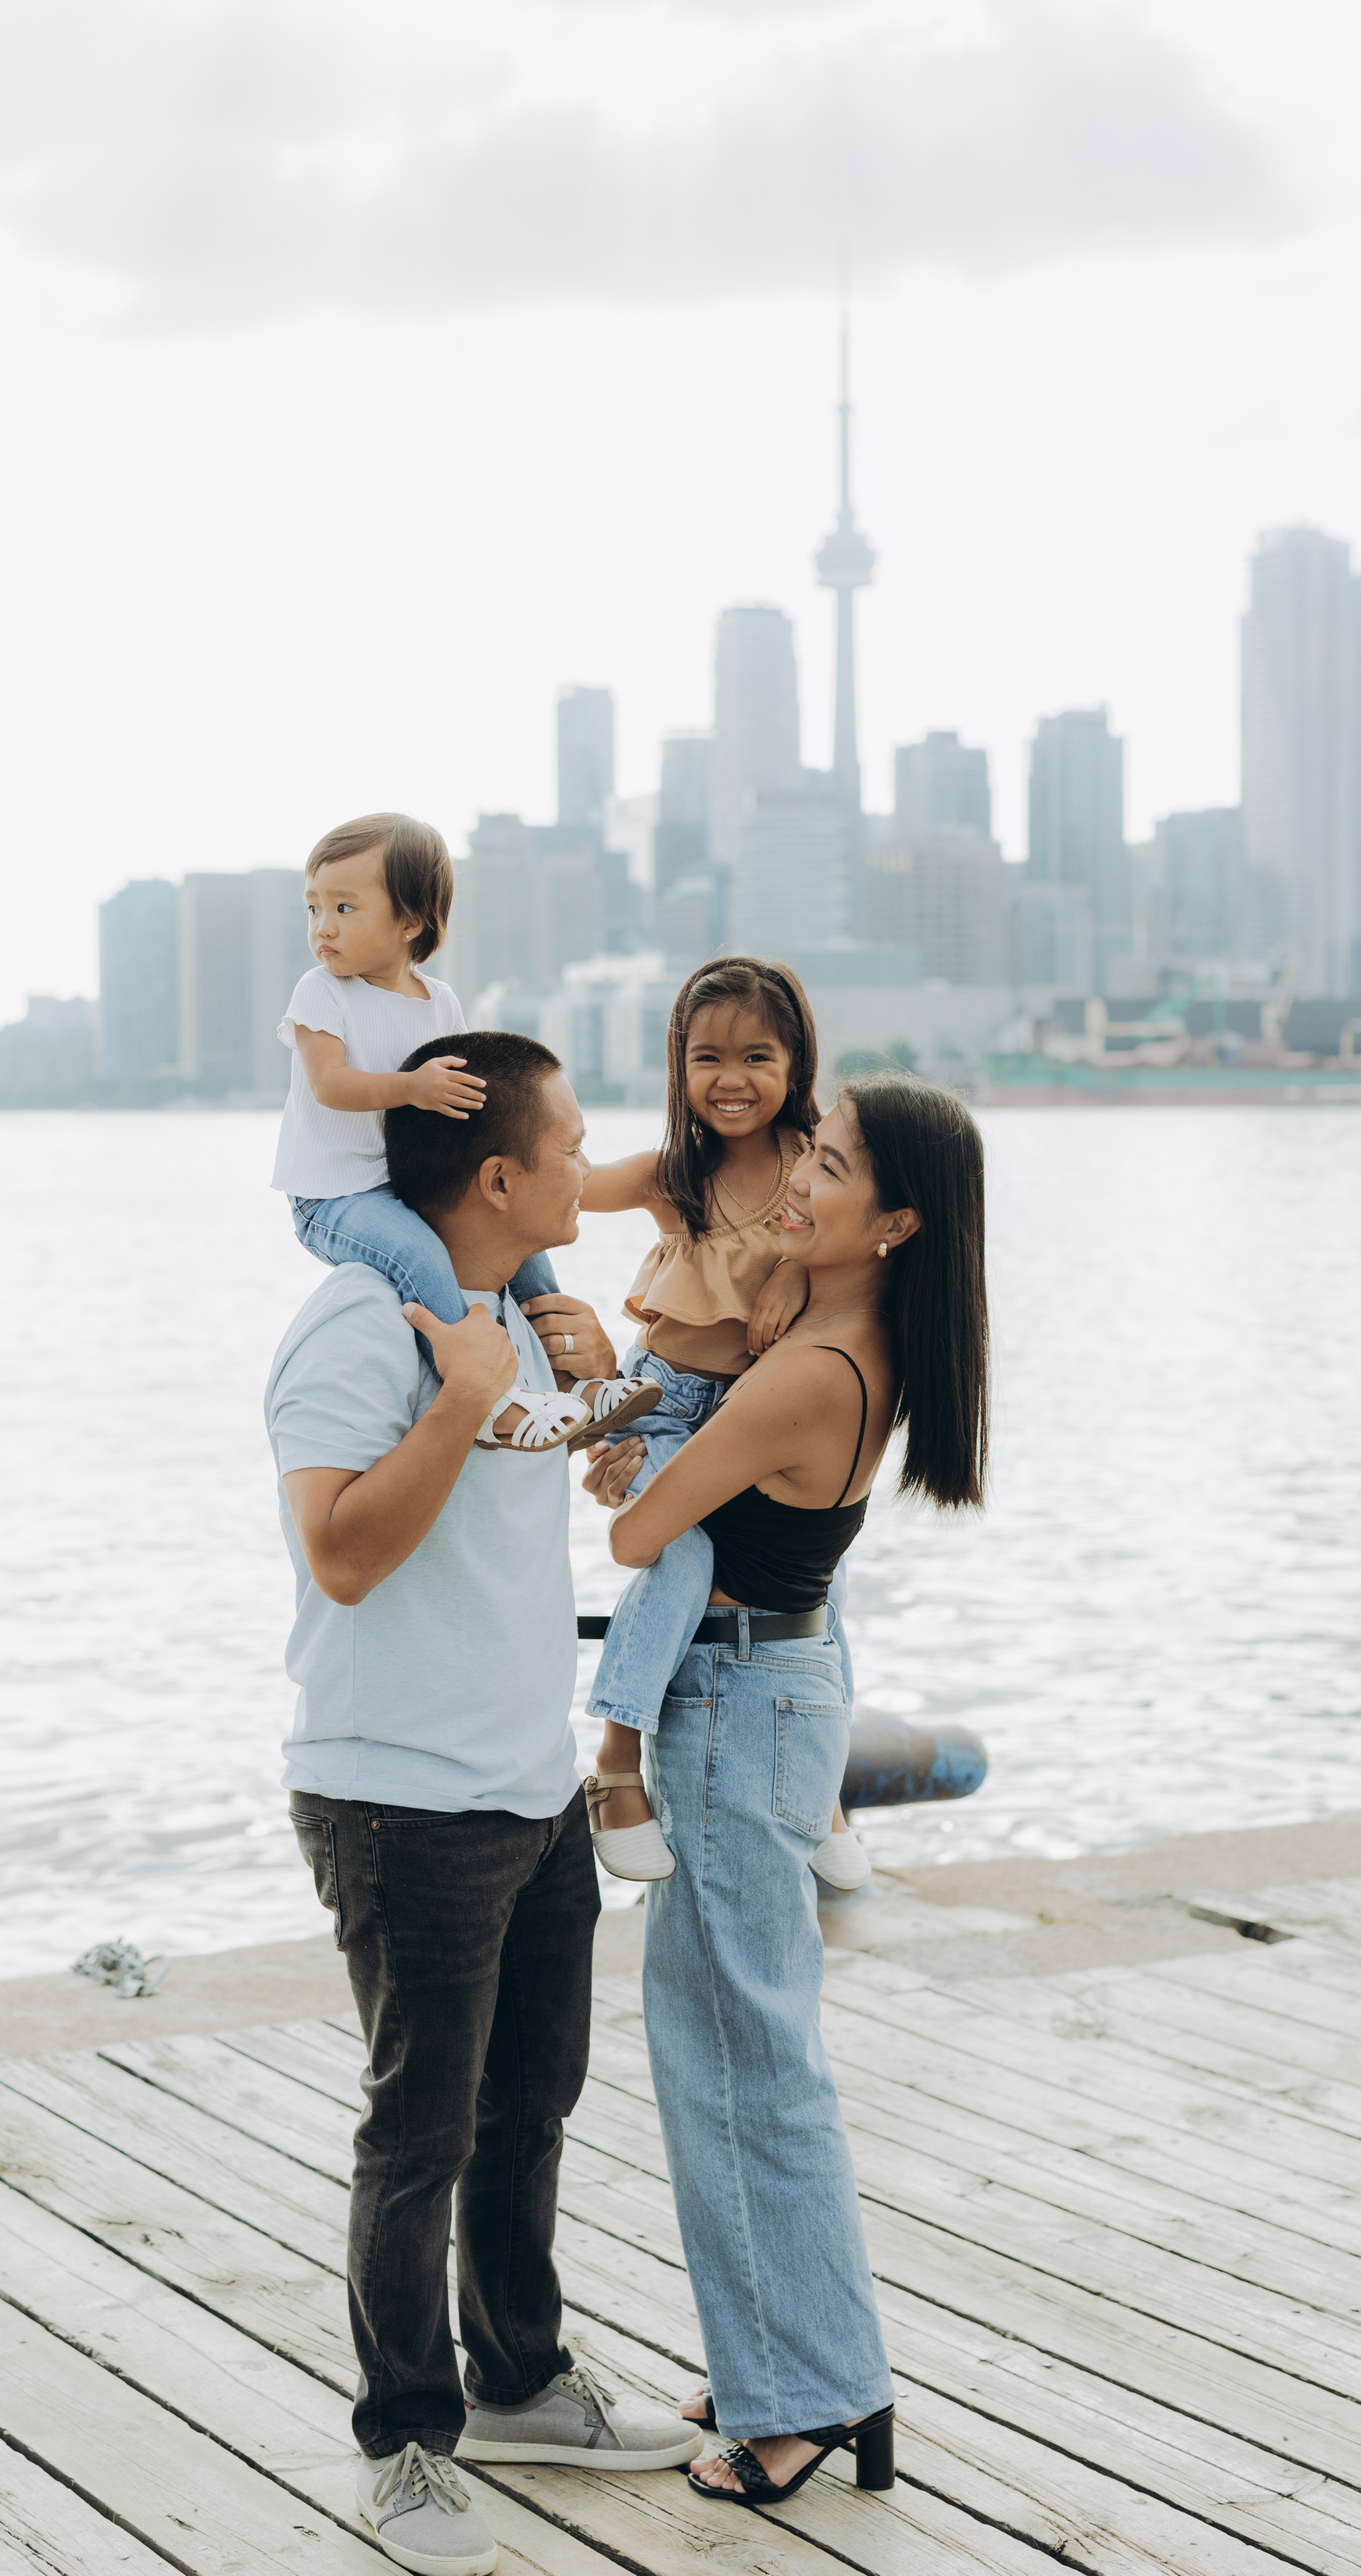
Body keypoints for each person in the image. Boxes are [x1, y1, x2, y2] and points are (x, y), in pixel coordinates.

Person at [267, 1027, 701, 2576]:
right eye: (574, 1143)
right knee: (419, 2135)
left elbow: (573, 1498)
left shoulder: (517, 1317)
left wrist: (597, 1397)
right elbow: (342, 1555)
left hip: (523, 1793)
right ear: (502, 1173)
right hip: (399, 1805)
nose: (595, 1164)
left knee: (528, 2109)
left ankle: (515, 2380)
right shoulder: (358, 1330)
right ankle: (406, 2445)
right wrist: (456, 1400)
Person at [583, 1072, 990, 2512]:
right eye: (805, 1153)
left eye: (828, 1168)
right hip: (770, 1695)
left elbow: (638, 1531)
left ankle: (797, 2402)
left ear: (892, 1222)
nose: (795, 1180)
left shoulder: (807, 1372)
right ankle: (797, 2363)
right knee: (756, 2051)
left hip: (731, 1708)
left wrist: (623, 1450)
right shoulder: (828, 1339)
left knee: (729, 2060)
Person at [576, 958, 869, 1890]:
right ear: (677, 1068)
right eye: (706, 1058)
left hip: (753, 1416)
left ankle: (824, 1789)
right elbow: (562, 1189)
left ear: (796, 1062)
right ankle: (616, 1762)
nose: (730, 1079)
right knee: (685, 1557)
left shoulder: (816, 1163)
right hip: (663, 1403)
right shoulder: (676, 1174)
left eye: (756, 1056)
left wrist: (792, 1268)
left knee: (823, 1580)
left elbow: (856, 1247)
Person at [272, 810, 659, 1454]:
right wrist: (413, 1087)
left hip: (408, 1184)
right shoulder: (321, 993)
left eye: (343, 907)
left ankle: (576, 1384)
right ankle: (489, 1399)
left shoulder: (439, 1001)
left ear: (409, 922)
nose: (323, 928)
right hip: (335, 1197)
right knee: (419, 1257)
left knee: (526, 1251)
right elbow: (330, 1085)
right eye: (313, 909)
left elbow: (462, 1099)